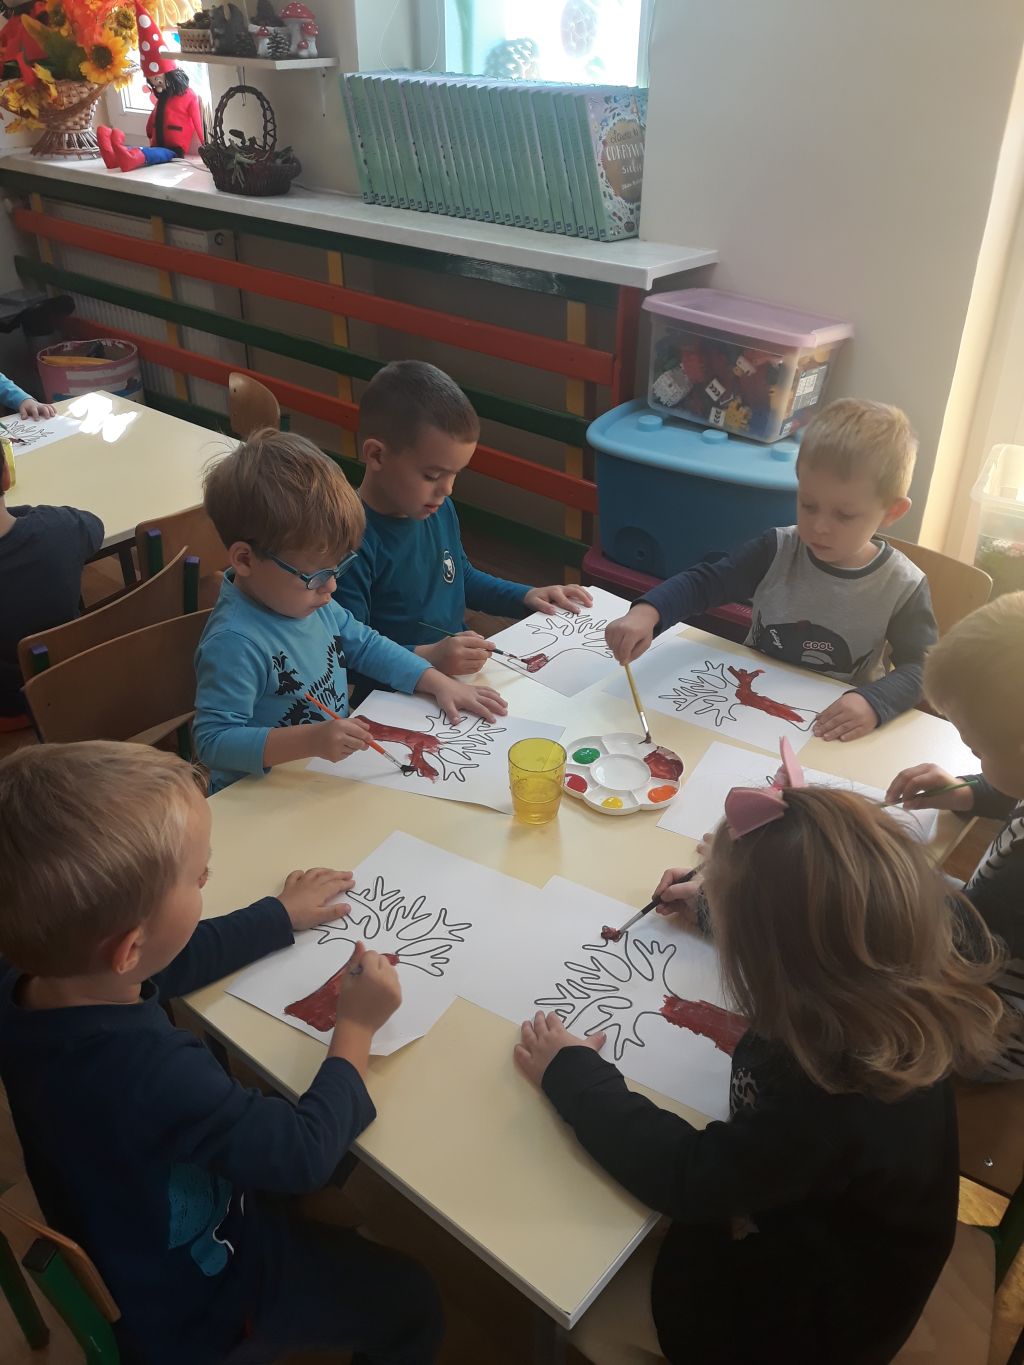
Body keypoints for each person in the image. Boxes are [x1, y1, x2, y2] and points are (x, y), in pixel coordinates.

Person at [515, 752, 1003, 1365]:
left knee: (573, 1279)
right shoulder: (889, 993)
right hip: (853, 1240)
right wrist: (718, 913)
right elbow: (820, 930)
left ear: (769, 957)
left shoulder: (830, 1096)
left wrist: (574, 1076)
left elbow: (689, 1177)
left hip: (807, 1326)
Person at [0, 741, 442, 1365]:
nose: (208, 878)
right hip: (203, 1301)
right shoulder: (150, 1072)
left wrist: (278, 916)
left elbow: (166, 961)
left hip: (125, 1215)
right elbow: (302, 1154)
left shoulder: (41, 974)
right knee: (413, 1299)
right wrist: (356, 1028)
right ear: (128, 948)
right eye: (198, 876)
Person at [605, 398, 937, 742]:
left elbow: (924, 668)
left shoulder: (903, 585)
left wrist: (874, 702)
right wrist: (649, 611)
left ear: (891, 512)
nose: (819, 527)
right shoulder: (776, 549)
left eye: (844, 515)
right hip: (749, 711)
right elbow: (705, 583)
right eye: (808, 505)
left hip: (834, 727)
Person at [193, 429, 506, 792]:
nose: (331, 587)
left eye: (337, 570)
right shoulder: (234, 642)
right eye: (316, 576)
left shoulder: (310, 604)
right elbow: (213, 741)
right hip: (257, 796)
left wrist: (437, 682)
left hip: (319, 777)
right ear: (246, 559)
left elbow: (369, 646)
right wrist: (311, 740)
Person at [333, 360, 592, 697]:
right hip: (397, 700)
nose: (448, 489)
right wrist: (430, 657)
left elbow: (459, 577)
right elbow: (348, 654)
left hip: (458, 681)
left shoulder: (437, 508)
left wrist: (526, 596)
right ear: (377, 455)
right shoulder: (347, 541)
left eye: (456, 473)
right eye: (432, 475)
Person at [887, 591, 1024, 1079]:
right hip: (982, 936)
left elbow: (957, 940)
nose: (974, 760)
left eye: (979, 750)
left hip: (992, 1030)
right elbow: (1011, 791)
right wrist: (967, 792)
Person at [0, 446, 102, 724]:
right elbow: (94, 526)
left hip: (7, 709)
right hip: (67, 681)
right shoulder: (60, 528)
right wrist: (27, 513)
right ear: (6, 475)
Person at [95, 5, 204, 173]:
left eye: (158, 79)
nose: (157, 84)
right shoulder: (163, 98)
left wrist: (206, 144)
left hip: (174, 149)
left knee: (153, 154)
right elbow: (155, 114)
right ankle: (113, 156)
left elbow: (197, 120)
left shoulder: (188, 95)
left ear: (170, 75)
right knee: (150, 152)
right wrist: (149, 129)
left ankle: (130, 157)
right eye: (153, 82)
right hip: (156, 142)